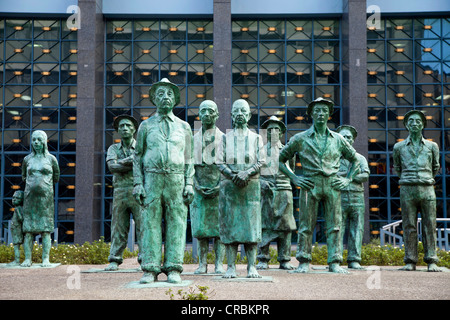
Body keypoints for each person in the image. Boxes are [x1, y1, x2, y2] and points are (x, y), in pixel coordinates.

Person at [279, 98, 358, 274]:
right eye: (317, 110)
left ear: (329, 114)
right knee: (306, 225)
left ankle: (335, 262)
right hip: (310, 183)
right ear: (311, 114)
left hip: (332, 184)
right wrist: (294, 178)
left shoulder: (338, 139)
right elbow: (280, 159)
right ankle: (304, 261)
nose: (321, 113)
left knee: (335, 225)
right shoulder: (300, 138)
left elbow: (355, 160)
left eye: (324, 110)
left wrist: (347, 180)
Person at [133, 78, 195, 284]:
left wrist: (189, 183)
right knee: (150, 221)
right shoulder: (145, 125)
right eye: (160, 94)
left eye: (169, 94)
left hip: (176, 178)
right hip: (152, 177)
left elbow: (189, 158)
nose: (165, 98)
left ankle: (174, 268)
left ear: (175, 99)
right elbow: (138, 156)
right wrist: (138, 183)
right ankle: (150, 268)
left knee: (177, 222)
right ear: (154, 99)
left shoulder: (184, 127)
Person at [217, 99, 265, 279]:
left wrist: (247, 173)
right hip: (230, 188)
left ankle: (252, 266)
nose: (239, 114)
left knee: (251, 228)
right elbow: (219, 161)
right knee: (230, 227)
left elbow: (261, 161)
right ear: (230, 115)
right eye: (236, 111)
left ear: (249, 115)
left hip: (250, 187)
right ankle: (230, 267)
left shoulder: (256, 138)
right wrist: (232, 174)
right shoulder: (224, 138)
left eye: (243, 111)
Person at [393, 109, 441, 272]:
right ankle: (410, 260)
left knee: (430, 224)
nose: (415, 123)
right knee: (409, 225)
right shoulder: (399, 147)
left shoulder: (432, 146)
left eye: (418, 121)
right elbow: (398, 167)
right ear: (406, 125)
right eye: (411, 121)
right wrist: (409, 179)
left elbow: (435, 166)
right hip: (407, 189)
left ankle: (431, 260)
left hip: (427, 188)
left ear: (423, 124)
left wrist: (423, 178)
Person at [256, 116, 296, 270]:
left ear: (281, 133)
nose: (273, 132)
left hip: (284, 191)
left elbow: (290, 169)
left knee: (286, 226)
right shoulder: (260, 152)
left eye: (276, 129)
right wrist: (261, 183)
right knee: (264, 225)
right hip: (266, 193)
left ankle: (285, 259)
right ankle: (263, 258)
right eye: (270, 129)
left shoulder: (287, 150)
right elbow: (256, 173)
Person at [190, 100, 225, 274]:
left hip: (219, 190)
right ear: (199, 114)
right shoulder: (192, 139)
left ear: (217, 115)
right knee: (201, 229)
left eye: (210, 111)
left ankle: (219, 263)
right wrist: (195, 185)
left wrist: (220, 186)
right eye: (203, 111)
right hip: (199, 190)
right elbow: (188, 165)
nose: (206, 114)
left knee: (219, 230)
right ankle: (202, 263)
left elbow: (229, 166)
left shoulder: (224, 139)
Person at [105, 114, 142, 271]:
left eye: (128, 125)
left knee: (143, 227)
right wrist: (130, 161)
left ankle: (145, 259)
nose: (125, 128)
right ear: (118, 130)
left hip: (137, 189)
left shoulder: (140, 147)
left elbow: (143, 164)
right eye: (122, 126)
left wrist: (120, 163)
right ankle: (114, 259)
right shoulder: (113, 148)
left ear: (134, 129)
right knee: (118, 226)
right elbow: (112, 167)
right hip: (119, 191)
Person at [21, 130, 60, 267]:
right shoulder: (27, 159)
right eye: (34, 140)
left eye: (39, 139)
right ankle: (27, 259)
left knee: (46, 229)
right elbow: (24, 176)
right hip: (30, 199)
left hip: (45, 200)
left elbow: (56, 177)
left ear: (44, 141)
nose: (36, 142)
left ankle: (46, 259)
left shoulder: (51, 159)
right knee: (28, 230)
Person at [336, 125, 369, 270]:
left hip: (357, 197)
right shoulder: (333, 157)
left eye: (349, 137)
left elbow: (365, 175)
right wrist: (351, 174)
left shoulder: (360, 158)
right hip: (339, 196)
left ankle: (354, 259)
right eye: (343, 136)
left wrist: (348, 176)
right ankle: (335, 259)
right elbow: (331, 174)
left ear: (354, 140)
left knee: (357, 229)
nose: (346, 139)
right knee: (337, 228)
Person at [8, 190, 24, 266]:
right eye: (13, 197)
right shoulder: (17, 208)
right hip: (15, 228)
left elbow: (21, 218)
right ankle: (17, 260)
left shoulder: (18, 208)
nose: (14, 199)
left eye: (17, 198)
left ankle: (17, 261)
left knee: (16, 245)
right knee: (16, 245)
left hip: (17, 229)